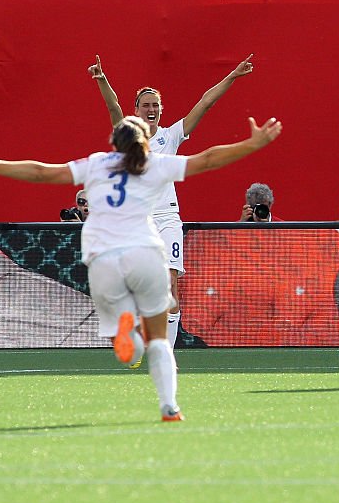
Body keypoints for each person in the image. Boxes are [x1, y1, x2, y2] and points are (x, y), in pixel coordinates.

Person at [0, 115, 283, 420]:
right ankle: (169, 406)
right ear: (145, 142)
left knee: (126, 352)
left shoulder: (97, 164)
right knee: (158, 339)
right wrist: (252, 144)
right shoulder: (155, 164)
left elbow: (42, 172)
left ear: (113, 144)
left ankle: (126, 333)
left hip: (104, 259)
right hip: (145, 254)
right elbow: (208, 159)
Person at [89, 53, 254, 348]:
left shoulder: (171, 136)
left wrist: (232, 76)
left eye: (155, 105)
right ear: (136, 110)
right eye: (146, 105)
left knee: (171, 291)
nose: (151, 109)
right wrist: (102, 79)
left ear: (160, 110)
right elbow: (112, 106)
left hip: (167, 219)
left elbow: (205, 102)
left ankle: (166, 353)